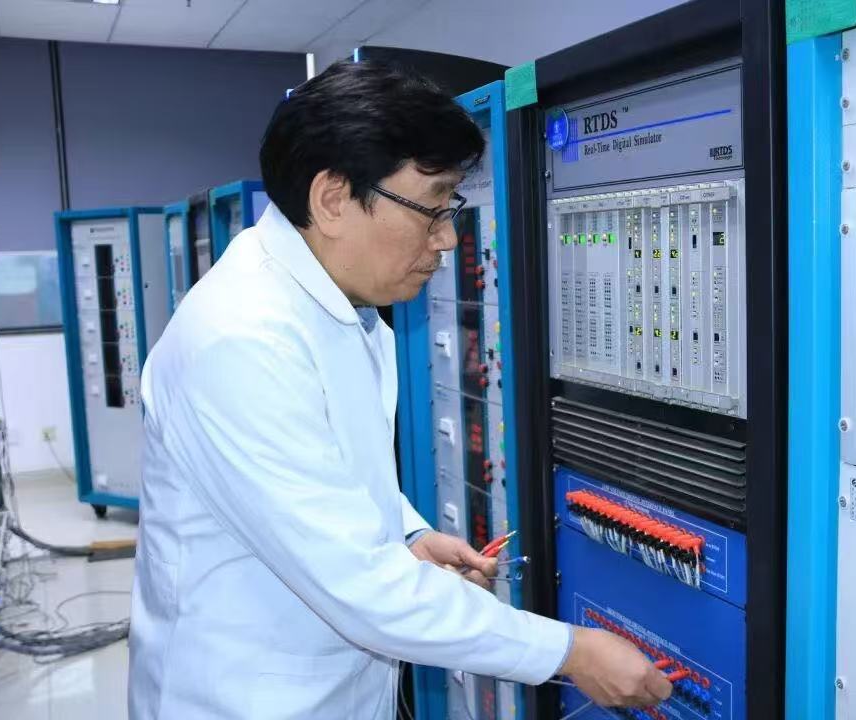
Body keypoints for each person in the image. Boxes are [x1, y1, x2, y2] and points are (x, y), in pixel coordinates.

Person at [128, 60, 672, 719]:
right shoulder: (239, 340)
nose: (446, 238)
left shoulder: (338, 305)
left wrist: (407, 533)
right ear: (333, 199)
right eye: (432, 207)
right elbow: (361, 587)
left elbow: (332, 472)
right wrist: (570, 651)